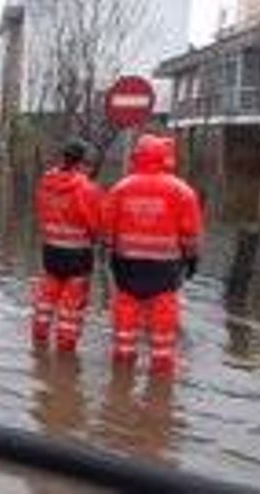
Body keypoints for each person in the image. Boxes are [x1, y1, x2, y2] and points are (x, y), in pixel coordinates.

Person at [102, 134, 203, 375]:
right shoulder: (182, 191)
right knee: (163, 319)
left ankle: (122, 369)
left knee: (125, 315)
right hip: (165, 268)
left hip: (126, 265)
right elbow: (191, 234)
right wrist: (192, 259)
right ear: (166, 157)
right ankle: (161, 376)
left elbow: (106, 230)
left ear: (138, 156)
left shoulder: (120, 188)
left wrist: (108, 253)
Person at [31, 139, 102, 351]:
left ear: (63, 158)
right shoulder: (86, 188)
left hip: (51, 250)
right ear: (81, 162)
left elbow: (41, 211)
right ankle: (66, 351)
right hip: (78, 254)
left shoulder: (46, 182)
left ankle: (39, 340)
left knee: (46, 298)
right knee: (72, 305)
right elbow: (94, 224)